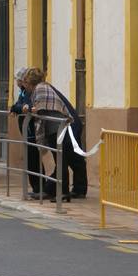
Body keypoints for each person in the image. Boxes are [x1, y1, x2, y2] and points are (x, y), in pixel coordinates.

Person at [22, 67, 87, 200]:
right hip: (60, 128)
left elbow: (39, 108)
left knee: (65, 160)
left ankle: (63, 192)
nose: (25, 86)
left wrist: (29, 109)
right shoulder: (43, 87)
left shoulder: (40, 89)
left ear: (30, 82)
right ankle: (64, 190)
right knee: (66, 159)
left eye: (26, 83)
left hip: (59, 129)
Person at [9, 67, 43, 198]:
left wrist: (21, 108)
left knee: (33, 158)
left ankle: (38, 188)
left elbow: (26, 107)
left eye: (19, 79)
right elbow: (17, 106)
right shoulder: (23, 92)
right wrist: (17, 108)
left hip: (31, 130)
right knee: (31, 159)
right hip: (26, 129)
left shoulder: (29, 92)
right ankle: (37, 187)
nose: (18, 82)